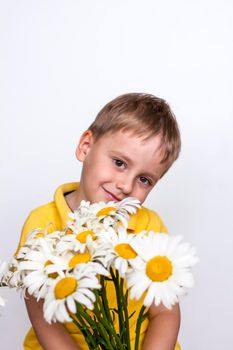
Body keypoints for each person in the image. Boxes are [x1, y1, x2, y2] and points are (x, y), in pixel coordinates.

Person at [17, 93, 182, 350]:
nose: (126, 185)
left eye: (144, 180)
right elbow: (43, 319)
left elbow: (165, 313)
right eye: (119, 163)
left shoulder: (149, 227)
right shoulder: (43, 223)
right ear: (86, 146)